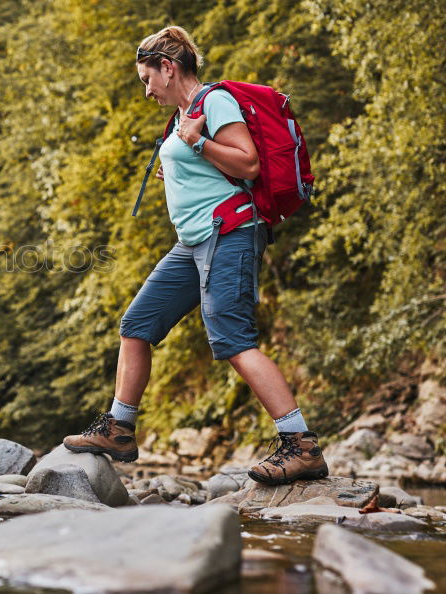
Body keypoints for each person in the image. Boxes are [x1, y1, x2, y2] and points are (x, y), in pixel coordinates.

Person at [62, 26, 328, 485]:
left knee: (233, 340)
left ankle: (301, 445)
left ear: (168, 68)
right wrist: (183, 163)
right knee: (137, 325)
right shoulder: (184, 116)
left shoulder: (215, 103)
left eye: (148, 78)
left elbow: (247, 163)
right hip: (193, 243)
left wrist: (197, 144)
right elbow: (204, 163)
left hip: (231, 233)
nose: (146, 89)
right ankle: (119, 429)